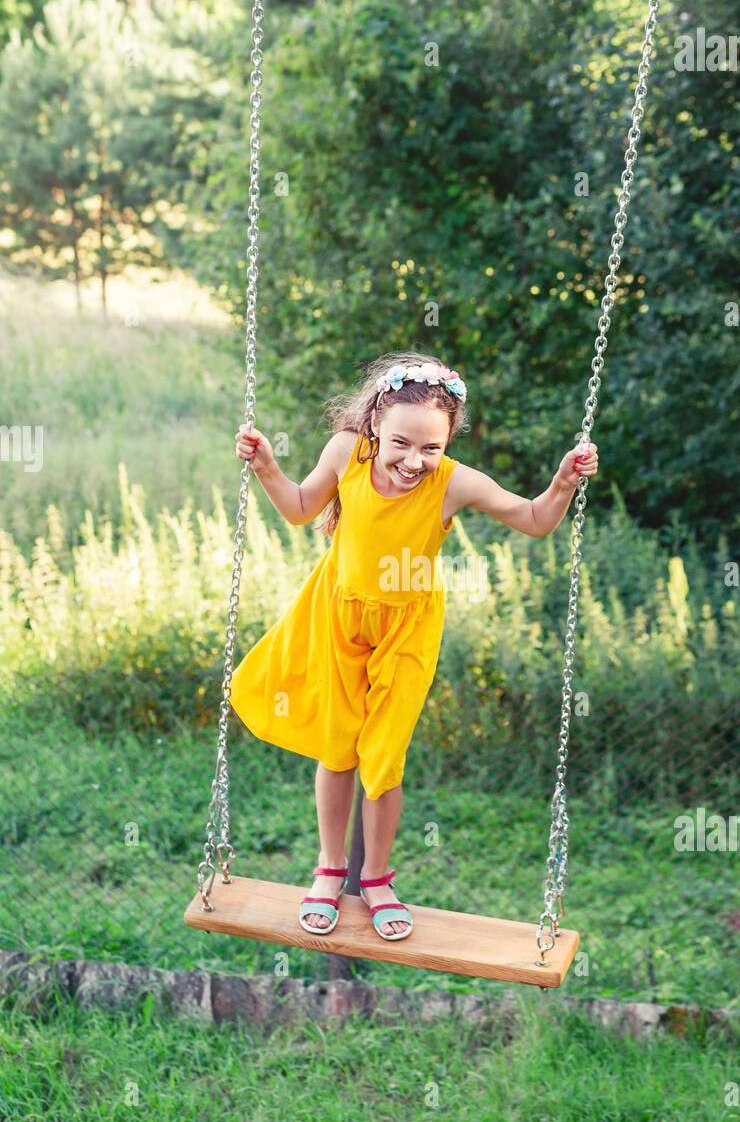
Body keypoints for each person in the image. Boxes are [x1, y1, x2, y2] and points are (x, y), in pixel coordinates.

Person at [231, 352, 598, 941]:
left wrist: (561, 483)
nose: (414, 461)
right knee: (338, 746)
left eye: (431, 448)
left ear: (449, 440)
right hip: (337, 612)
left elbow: (534, 519)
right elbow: (301, 509)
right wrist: (268, 467)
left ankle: (375, 879)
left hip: (407, 628)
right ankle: (330, 870)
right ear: (375, 422)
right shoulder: (346, 453)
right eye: (402, 443)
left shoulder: (454, 481)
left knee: (384, 755)